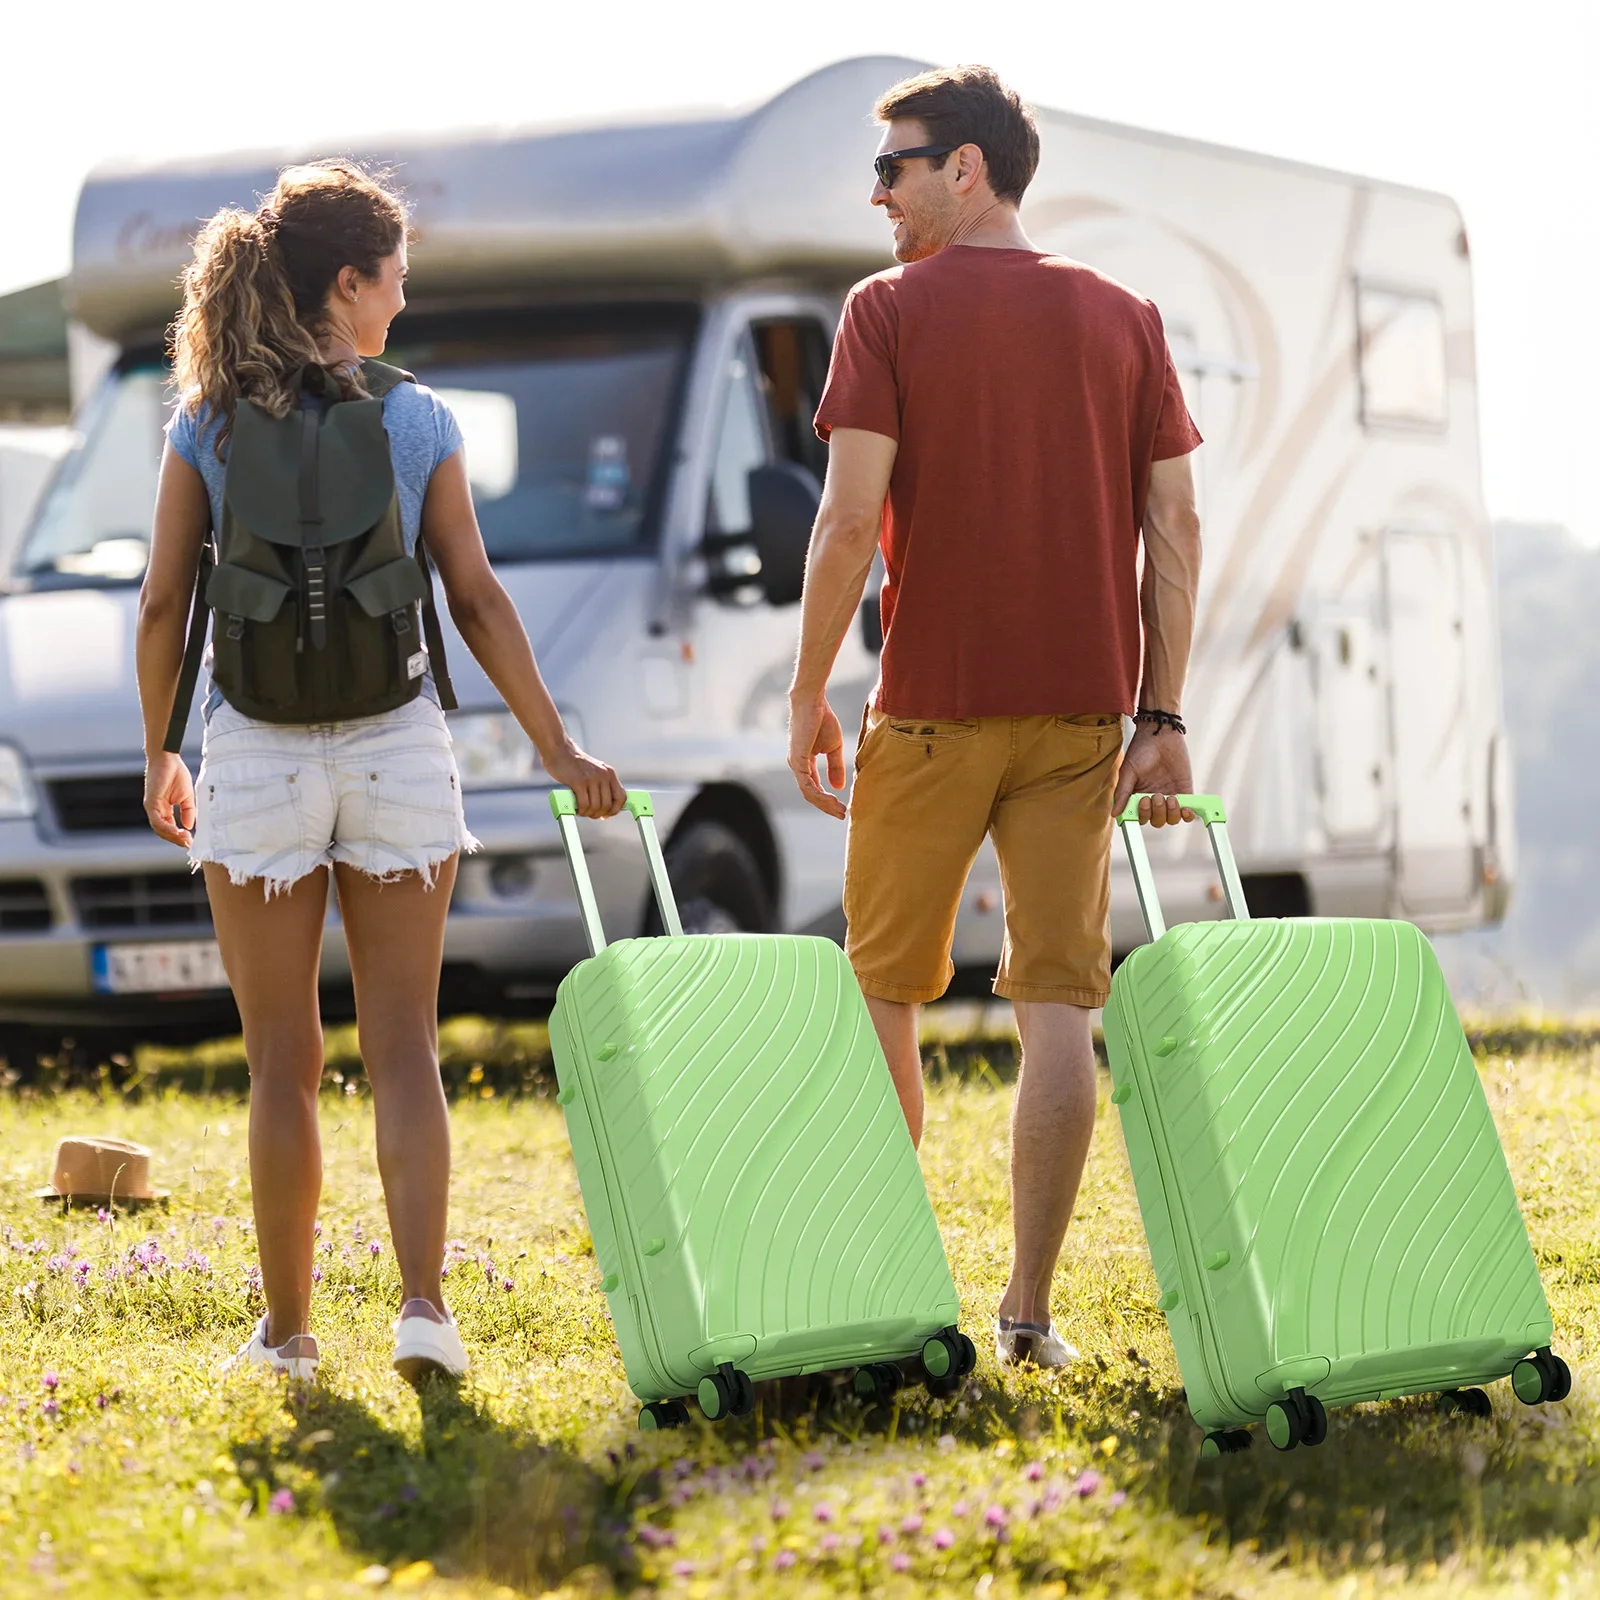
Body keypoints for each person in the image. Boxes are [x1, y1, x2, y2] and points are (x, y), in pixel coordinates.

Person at [136, 161, 626, 1383]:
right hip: (400, 741)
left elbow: (159, 604)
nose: (402, 303)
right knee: (402, 1039)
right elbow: (474, 596)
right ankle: (422, 1313)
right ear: (348, 283)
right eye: (394, 280)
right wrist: (558, 746)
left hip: (251, 751)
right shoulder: (418, 416)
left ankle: (292, 1335)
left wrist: (159, 748)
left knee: (280, 1060)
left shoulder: (205, 419)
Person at [787, 67, 1204, 1368]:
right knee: (1058, 1006)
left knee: (883, 997)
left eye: (895, 166)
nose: (878, 193)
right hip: (1082, 717)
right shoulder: (1124, 316)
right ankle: (1026, 1316)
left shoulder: (888, 312)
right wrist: (1164, 713)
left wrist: (808, 691)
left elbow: (851, 519)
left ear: (965, 168)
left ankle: (884, 1298)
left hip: (928, 708)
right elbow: (1176, 526)